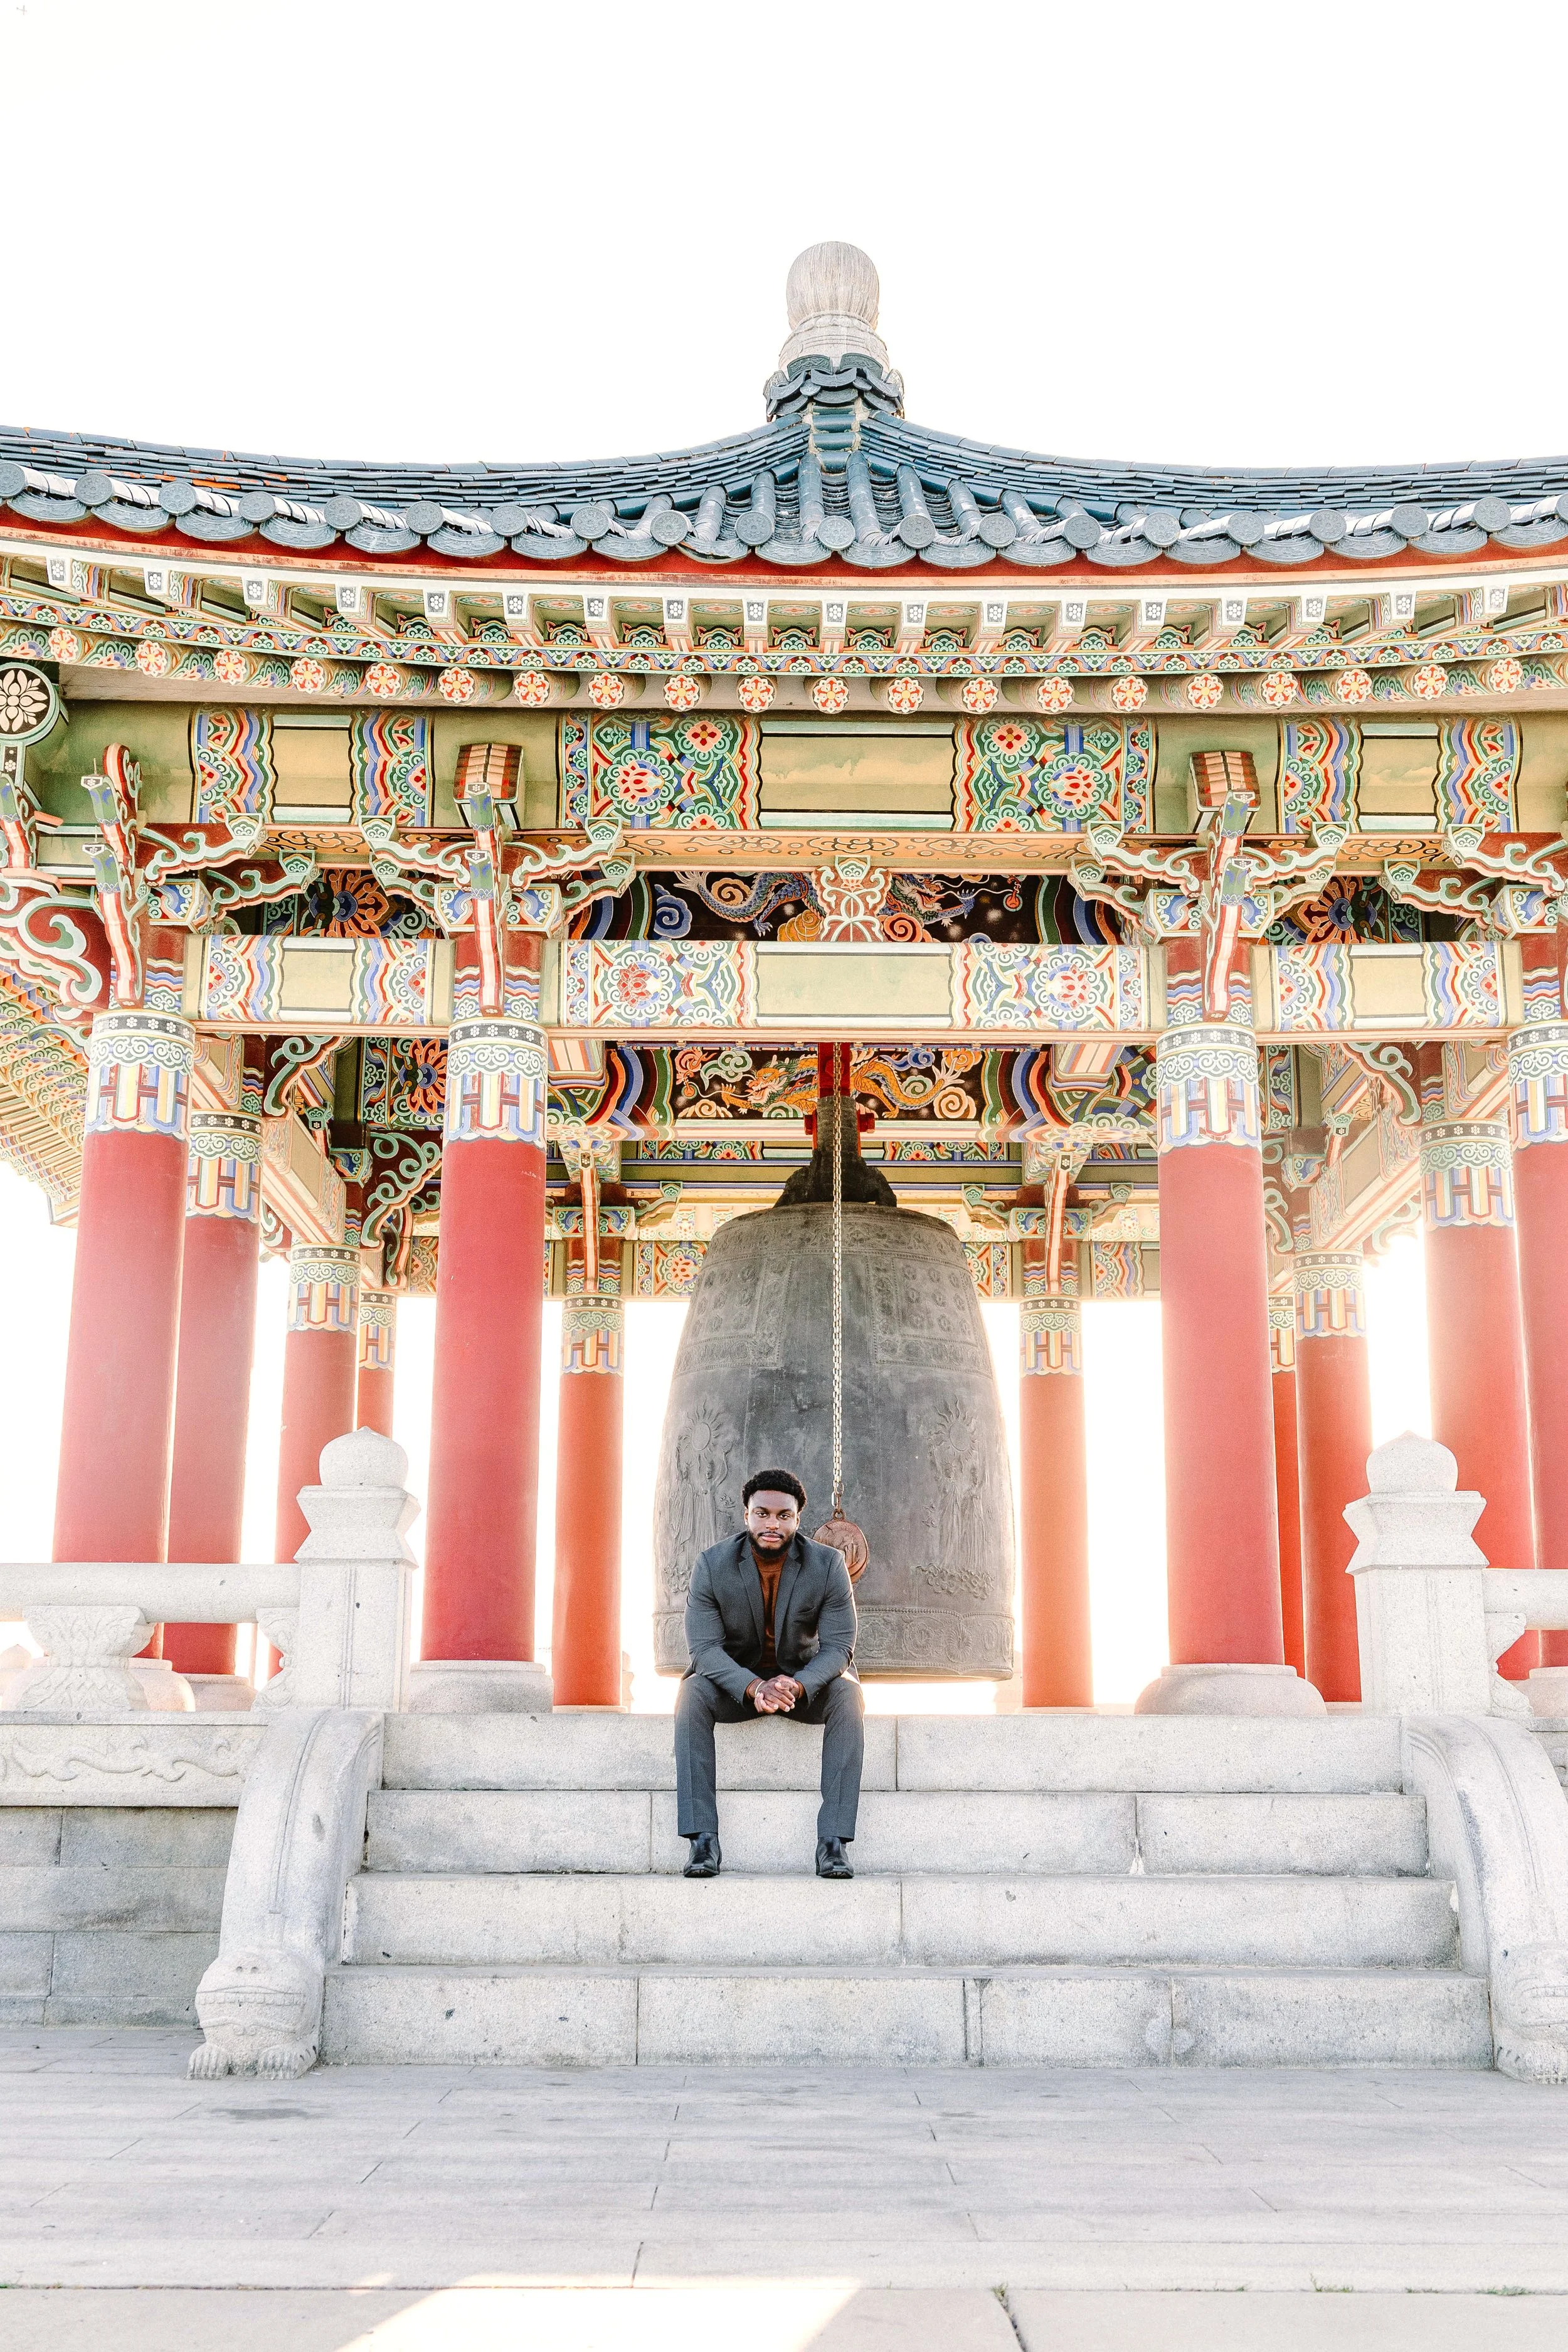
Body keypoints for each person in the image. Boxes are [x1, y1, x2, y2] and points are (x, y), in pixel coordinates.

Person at [675, 1468, 864, 1881]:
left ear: (797, 1519)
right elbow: (704, 1650)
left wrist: (798, 1684)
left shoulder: (827, 1564)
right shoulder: (712, 1565)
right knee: (692, 1693)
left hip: (801, 1685)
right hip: (736, 1686)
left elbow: (839, 1647)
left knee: (849, 1695)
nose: (772, 1524)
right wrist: (753, 1686)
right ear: (747, 1515)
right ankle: (702, 1839)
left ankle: (833, 1843)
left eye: (784, 1516)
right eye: (762, 1514)